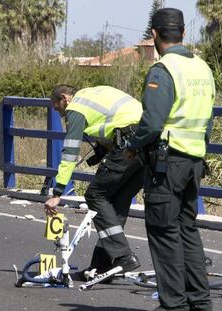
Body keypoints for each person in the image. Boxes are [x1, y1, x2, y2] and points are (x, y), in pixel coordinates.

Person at [124, 8, 215, 311]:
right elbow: (208, 121)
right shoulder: (202, 68)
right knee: (187, 230)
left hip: (168, 163)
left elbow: (151, 123)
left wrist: (134, 146)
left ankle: (173, 305)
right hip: (194, 162)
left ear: (154, 34)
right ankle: (199, 303)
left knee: (164, 232)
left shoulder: (164, 69)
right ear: (184, 33)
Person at [44, 85, 144, 278]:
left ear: (65, 98)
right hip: (148, 144)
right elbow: (116, 120)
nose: (59, 113)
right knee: (115, 204)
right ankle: (101, 266)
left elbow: (70, 152)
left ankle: (124, 256)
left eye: (58, 108)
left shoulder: (76, 108)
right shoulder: (94, 93)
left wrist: (57, 192)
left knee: (94, 195)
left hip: (128, 145)